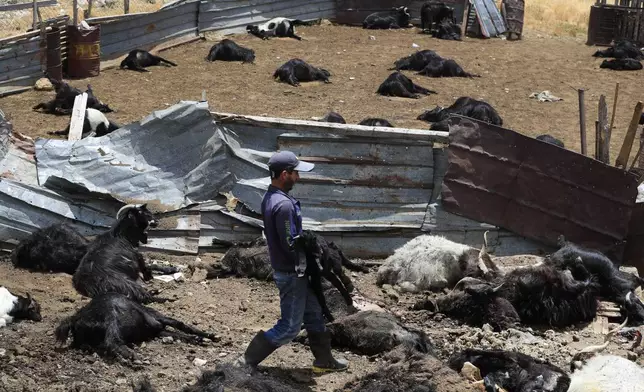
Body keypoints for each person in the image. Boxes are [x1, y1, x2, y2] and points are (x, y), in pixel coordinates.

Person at [238, 150, 348, 373]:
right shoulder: (284, 205)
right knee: (289, 327)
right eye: (295, 173)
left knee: (314, 314)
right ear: (284, 174)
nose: (298, 177)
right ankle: (245, 362)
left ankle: (324, 361)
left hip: (294, 271)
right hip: (292, 273)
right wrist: (308, 248)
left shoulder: (271, 198)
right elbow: (290, 242)